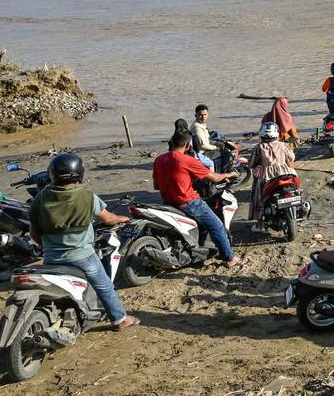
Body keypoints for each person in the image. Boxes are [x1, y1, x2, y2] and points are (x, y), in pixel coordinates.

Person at [28, 153, 139, 331]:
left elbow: (33, 233)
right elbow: (108, 218)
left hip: (51, 258)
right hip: (83, 257)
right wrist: (122, 218)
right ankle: (120, 319)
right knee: (105, 286)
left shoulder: (40, 199)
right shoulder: (87, 197)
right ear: (79, 174)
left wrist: (45, 247)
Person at [152, 129, 243, 268]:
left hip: (168, 202)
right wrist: (228, 175)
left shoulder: (159, 160)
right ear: (188, 145)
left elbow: (156, 186)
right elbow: (214, 177)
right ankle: (230, 258)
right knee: (217, 226)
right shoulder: (187, 160)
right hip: (188, 203)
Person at [248, 122, 297, 226]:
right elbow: (292, 158)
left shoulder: (259, 147)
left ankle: (259, 222)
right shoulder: (283, 145)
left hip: (267, 177)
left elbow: (251, 164)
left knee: (258, 195)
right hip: (285, 173)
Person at [190, 104, 237, 173]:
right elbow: (204, 146)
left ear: (208, 115)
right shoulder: (197, 128)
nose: (203, 117)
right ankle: (223, 173)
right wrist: (216, 148)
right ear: (196, 115)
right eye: (200, 115)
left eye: (205, 115)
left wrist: (215, 143)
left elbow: (207, 140)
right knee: (226, 152)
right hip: (202, 153)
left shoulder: (201, 124)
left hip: (203, 149)